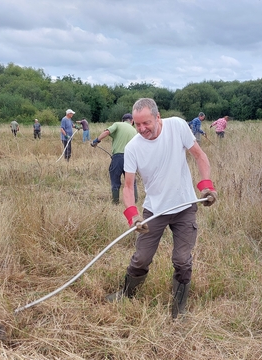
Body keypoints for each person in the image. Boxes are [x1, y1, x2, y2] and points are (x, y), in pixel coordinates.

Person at [106, 98, 217, 320]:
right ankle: (127, 294)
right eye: (137, 124)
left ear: (158, 117)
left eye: (146, 123)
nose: (141, 129)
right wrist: (133, 216)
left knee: (182, 260)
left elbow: (200, 156)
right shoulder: (133, 147)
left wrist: (207, 186)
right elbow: (128, 187)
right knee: (141, 258)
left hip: (185, 207)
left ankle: (179, 309)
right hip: (154, 211)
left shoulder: (177, 126)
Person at [91, 113, 138, 204]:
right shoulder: (134, 130)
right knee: (131, 182)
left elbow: (107, 132)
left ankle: (115, 202)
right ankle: (135, 201)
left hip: (118, 157)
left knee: (115, 180)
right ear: (132, 121)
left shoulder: (117, 124)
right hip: (131, 158)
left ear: (122, 120)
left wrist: (96, 141)